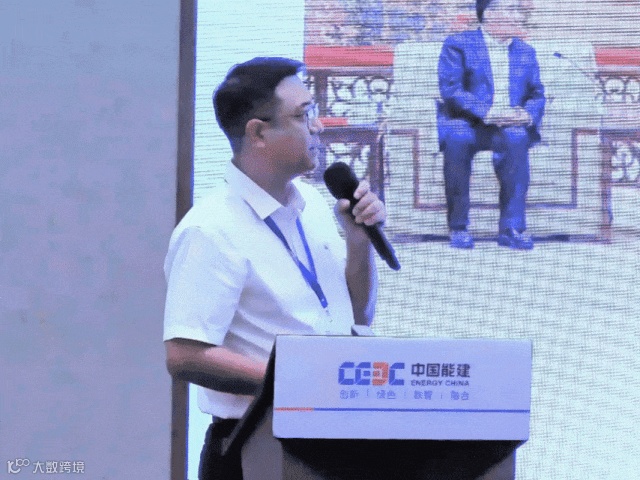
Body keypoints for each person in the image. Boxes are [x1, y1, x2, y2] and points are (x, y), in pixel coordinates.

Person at [163, 57, 386, 480]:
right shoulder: (210, 229)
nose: (318, 126)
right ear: (258, 133)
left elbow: (358, 316)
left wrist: (360, 246)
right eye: (303, 115)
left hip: (332, 440)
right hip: (256, 444)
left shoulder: (312, 204)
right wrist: (299, 378)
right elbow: (184, 355)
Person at [437, 0, 545, 249]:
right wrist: (489, 113)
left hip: (508, 125)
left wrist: (526, 115)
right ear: (489, 14)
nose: (517, 16)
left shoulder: (526, 51)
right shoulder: (458, 44)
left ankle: (511, 229)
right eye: (511, 10)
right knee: (456, 138)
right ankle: (458, 227)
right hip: (469, 122)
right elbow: (451, 90)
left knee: (517, 137)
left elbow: (537, 94)